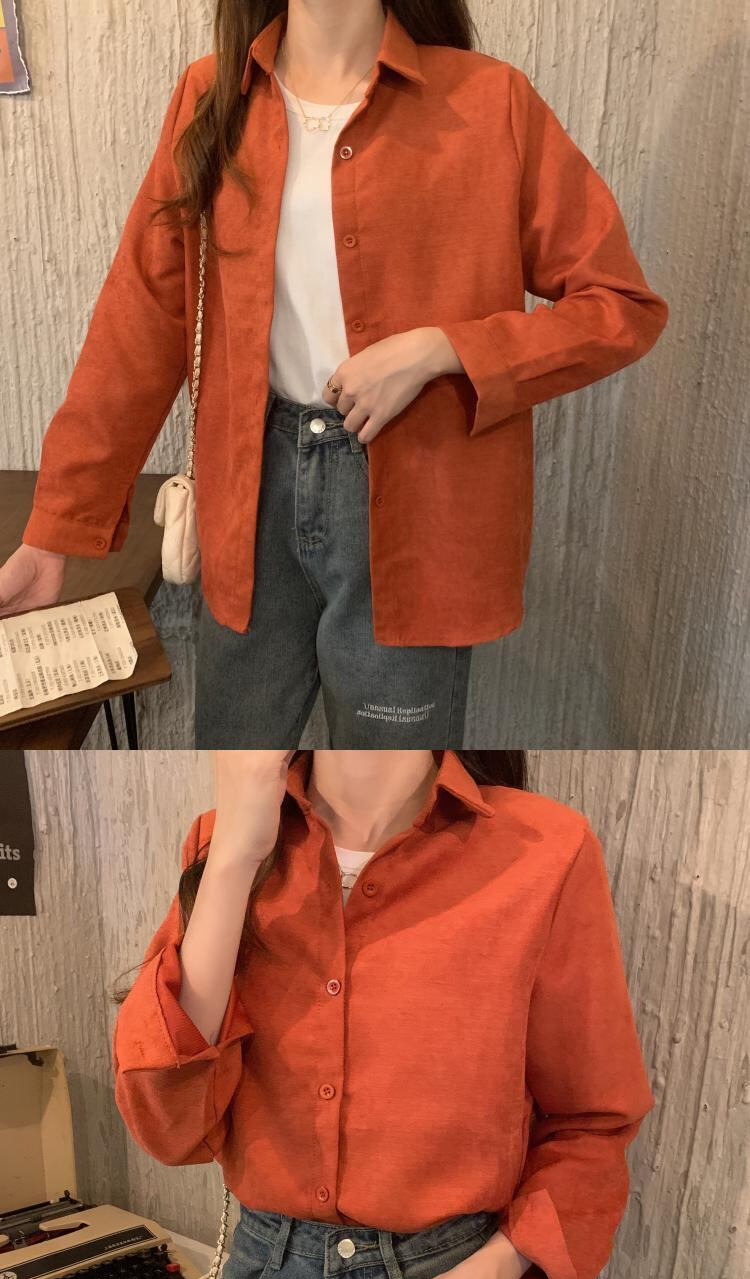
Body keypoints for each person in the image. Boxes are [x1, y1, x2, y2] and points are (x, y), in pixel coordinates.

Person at [0, 2, 667, 746]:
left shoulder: (489, 102)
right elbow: (140, 324)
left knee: (389, 778)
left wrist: (443, 348)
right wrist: (53, 535)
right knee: (236, 759)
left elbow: (620, 307)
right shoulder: (210, 99)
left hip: (420, 506)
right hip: (248, 499)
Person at [113, 746, 652, 1279]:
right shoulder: (226, 838)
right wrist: (234, 856)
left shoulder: (544, 850)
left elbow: (591, 1121)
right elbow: (167, 1122)